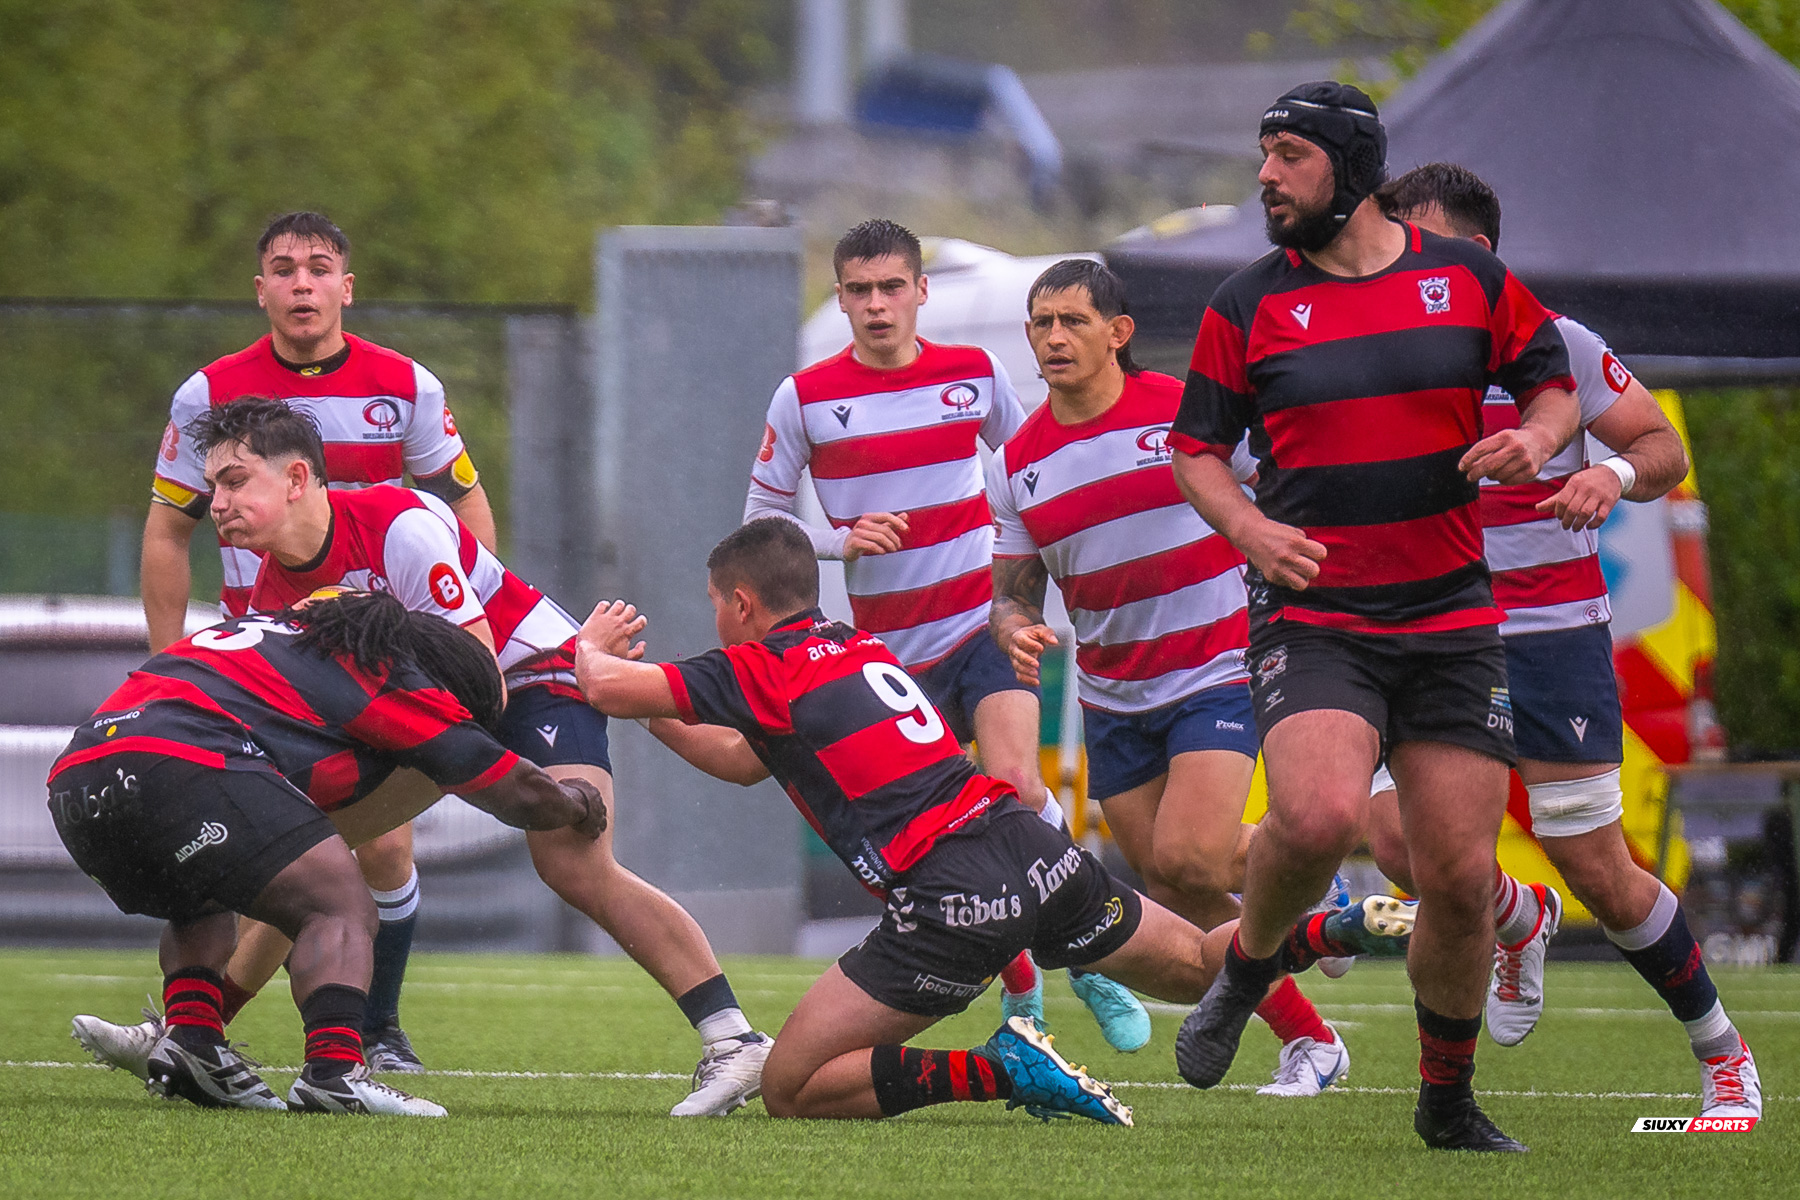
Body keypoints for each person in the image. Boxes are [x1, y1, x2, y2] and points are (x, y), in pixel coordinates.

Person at [571, 517, 1417, 1123]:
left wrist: (590, 642)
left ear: (744, 605)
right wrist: (658, 713)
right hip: (1029, 846)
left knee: (793, 1087)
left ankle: (999, 1067)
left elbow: (603, 685)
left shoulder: (765, 666)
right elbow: (742, 758)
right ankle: (1334, 930)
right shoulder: (856, 647)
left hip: (949, 891)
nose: (718, 622)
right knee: (1205, 968)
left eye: (718, 605)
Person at [79, 397, 771, 1117]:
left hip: (532, 677)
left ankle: (735, 1041)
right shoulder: (267, 585)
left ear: (296, 479)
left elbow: (478, 674)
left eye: (233, 481)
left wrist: (500, 775)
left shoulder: (398, 523)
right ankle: (194, 1035)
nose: (215, 503)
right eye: (212, 485)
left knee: (571, 860)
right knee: (296, 849)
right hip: (431, 715)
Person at [1168, 82, 1582, 1153]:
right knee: (1311, 817)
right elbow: (1194, 449)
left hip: (1449, 614)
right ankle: (1249, 970)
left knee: (1452, 876)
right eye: (1262, 154)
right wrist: (1249, 532)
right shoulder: (1244, 302)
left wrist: (1536, 444)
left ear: (1349, 171)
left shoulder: (1469, 279)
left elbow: (1555, 389)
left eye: (1289, 156)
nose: (1265, 175)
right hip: (1318, 616)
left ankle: (1446, 1104)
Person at [1358, 163, 1758, 1120]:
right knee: (1397, 847)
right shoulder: (1378, 348)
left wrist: (1613, 474)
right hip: (1424, 636)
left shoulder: (1558, 346)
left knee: (1599, 870)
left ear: (1476, 254)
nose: (1394, 262)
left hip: (1546, 637)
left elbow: (1664, 445)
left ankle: (1725, 1058)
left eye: (1415, 241)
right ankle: (1515, 915)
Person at [743, 218, 1147, 1048]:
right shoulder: (806, 397)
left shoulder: (975, 374)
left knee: (1021, 795)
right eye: (858, 290)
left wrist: (1065, 587)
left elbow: (1038, 471)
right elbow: (762, 523)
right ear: (842, 296)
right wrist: (839, 541)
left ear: (922, 292)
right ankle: (1023, 990)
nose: (876, 305)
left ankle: (1089, 965)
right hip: (886, 663)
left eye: (892, 287)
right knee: (945, 845)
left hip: (980, 629)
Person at [141, 211, 496, 1068]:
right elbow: (165, 532)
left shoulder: (406, 384)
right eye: (283, 268)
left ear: (347, 286)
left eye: (319, 267)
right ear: (259, 288)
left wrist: (464, 613)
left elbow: (461, 503)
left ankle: (372, 1031)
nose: (302, 283)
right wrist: (163, 664)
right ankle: (200, 1029)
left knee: (375, 837)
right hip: (258, 657)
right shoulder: (208, 394)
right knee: (270, 841)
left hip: (372, 654)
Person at [987, 257, 1349, 1097]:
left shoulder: (1189, 415)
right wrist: (1016, 628)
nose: (1052, 337)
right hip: (1112, 698)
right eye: (1040, 323)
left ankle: (1303, 883)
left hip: (1218, 669)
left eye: (1072, 320)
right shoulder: (1017, 462)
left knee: (1191, 859)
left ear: (1119, 333)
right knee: (1176, 892)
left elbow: (1280, 495)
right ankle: (1311, 1024)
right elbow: (1012, 590)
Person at [53, 591, 605, 1116]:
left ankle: (194, 1040)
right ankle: (335, 1071)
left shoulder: (277, 638)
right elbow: (511, 789)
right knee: (340, 904)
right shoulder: (383, 668)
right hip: (178, 763)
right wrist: (576, 802)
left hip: (78, 786)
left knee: (206, 886)